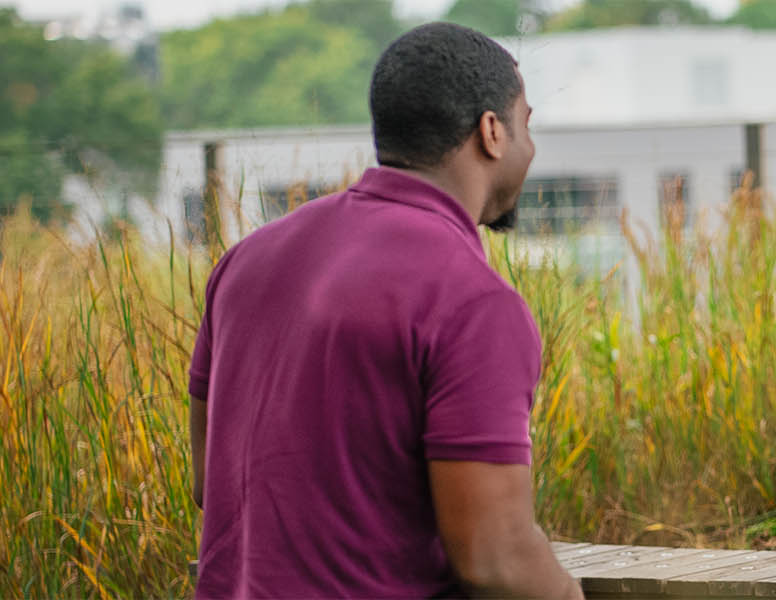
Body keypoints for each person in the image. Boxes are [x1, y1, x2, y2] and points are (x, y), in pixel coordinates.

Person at [188, 22, 580, 599]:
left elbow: (209, 480)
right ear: (492, 132)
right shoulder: (474, 302)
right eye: (527, 124)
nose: (530, 146)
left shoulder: (246, 261)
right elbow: (497, 558)